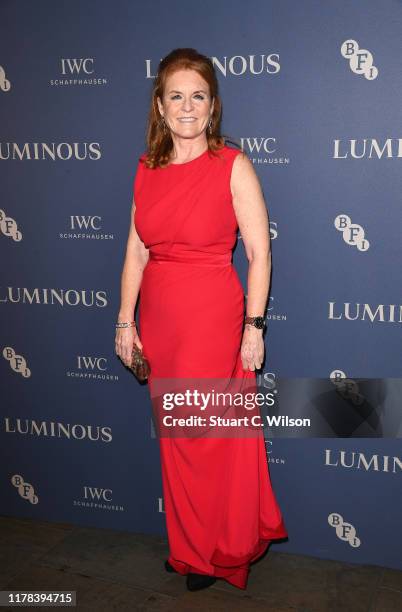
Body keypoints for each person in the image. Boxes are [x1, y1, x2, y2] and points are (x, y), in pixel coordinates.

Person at [115, 47, 287, 592]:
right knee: (176, 437)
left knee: (206, 435)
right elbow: (136, 252)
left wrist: (253, 328)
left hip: (212, 315)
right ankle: (189, 549)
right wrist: (125, 321)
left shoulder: (232, 165)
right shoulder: (146, 169)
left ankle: (218, 550)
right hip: (162, 318)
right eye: (176, 96)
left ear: (212, 107)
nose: (187, 107)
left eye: (198, 96)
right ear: (160, 107)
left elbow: (259, 254)